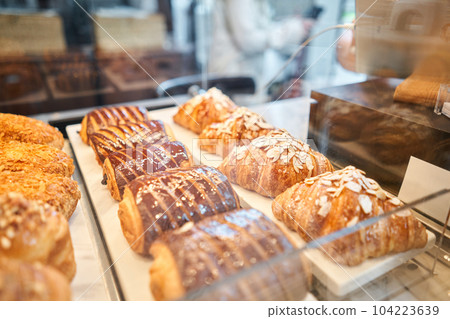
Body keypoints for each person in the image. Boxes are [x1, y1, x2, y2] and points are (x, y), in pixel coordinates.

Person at [208, 0, 314, 90]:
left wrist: (290, 27)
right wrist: (289, 31)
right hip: (235, 80)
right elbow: (248, 41)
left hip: (249, 77)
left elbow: (262, 28)